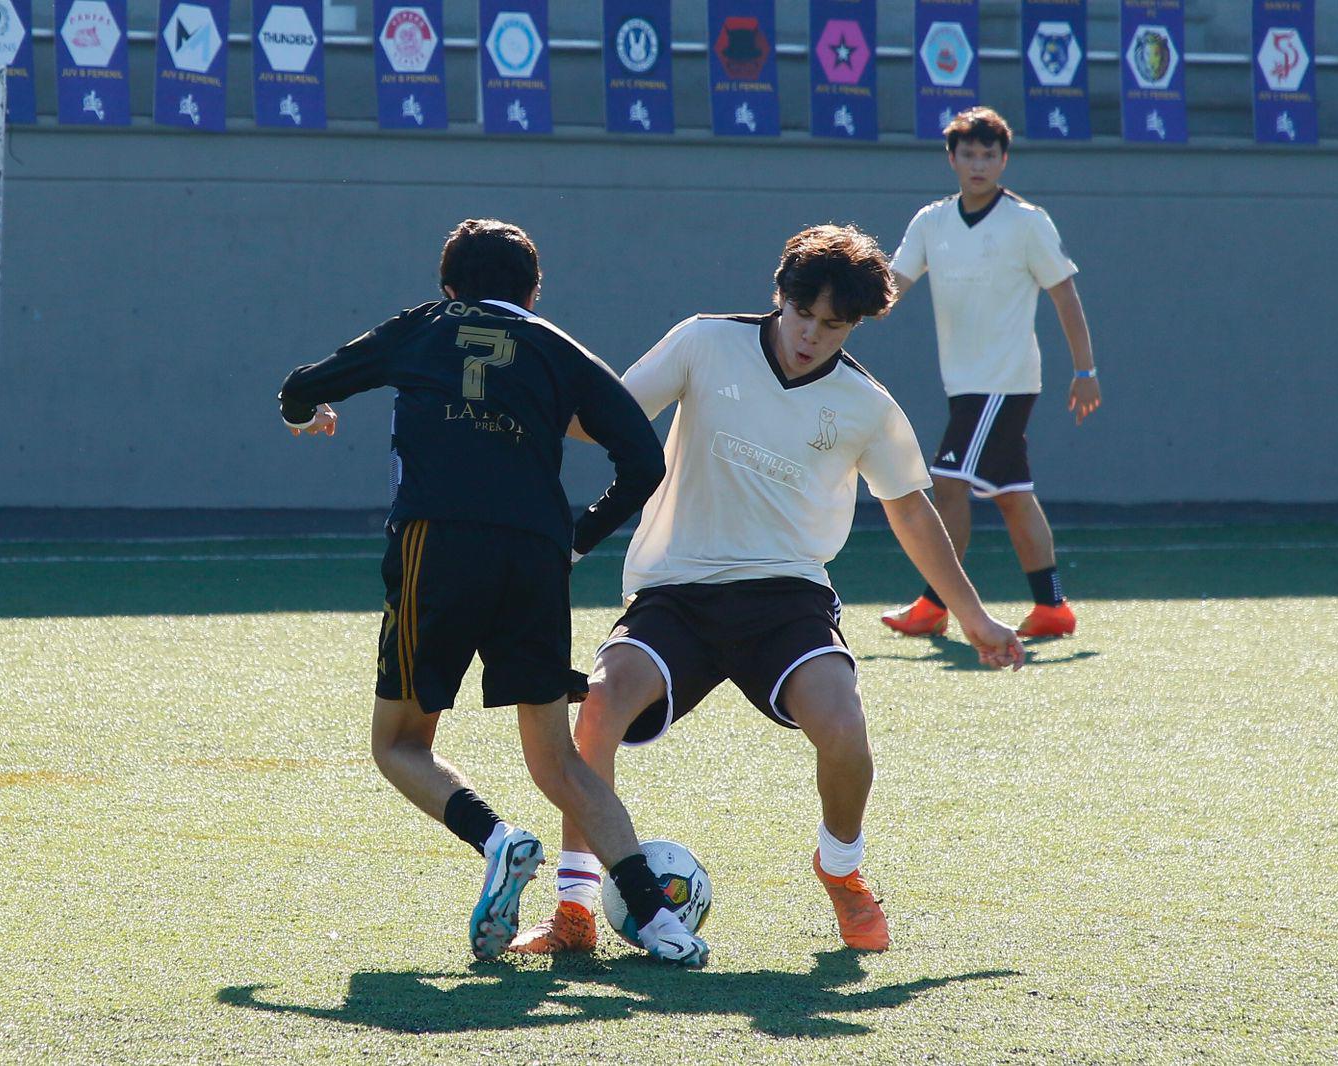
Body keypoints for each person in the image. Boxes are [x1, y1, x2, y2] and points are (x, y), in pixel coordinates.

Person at [507, 224, 1024, 957]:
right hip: (675, 589)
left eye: (833, 325)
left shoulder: (866, 405)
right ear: (778, 294)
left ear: (857, 324)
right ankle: (575, 908)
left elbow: (911, 509)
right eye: (801, 313)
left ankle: (841, 870)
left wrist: (972, 615)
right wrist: (513, 402)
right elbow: (607, 419)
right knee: (599, 707)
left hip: (787, 597)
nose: (811, 335)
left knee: (844, 728)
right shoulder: (704, 341)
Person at [277, 218, 708, 967]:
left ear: (449, 287)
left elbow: (301, 386)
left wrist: (306, 416)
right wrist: (576, 539)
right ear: (534, 293)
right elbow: (643, 460)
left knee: (398, 743)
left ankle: (496, 838)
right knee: (559, 762)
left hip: (438, 544)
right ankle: (658, 919)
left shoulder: (424, 326)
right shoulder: (559, 347)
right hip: (534, 558)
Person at [879, 106, 1100, 642]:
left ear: (1004, 160)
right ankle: (1052, 607)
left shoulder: (1027, 222)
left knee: (948, 483)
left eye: (988, 154)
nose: (978, 164)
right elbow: (891, 286)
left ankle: (935, 603)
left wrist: (1085, 369)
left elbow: (1064, 294)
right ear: (951, 158)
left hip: (1004, 382)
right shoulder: (931, 221)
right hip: (964, 385)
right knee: (1012, 494)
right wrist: (839, 309)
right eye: (968, 154)